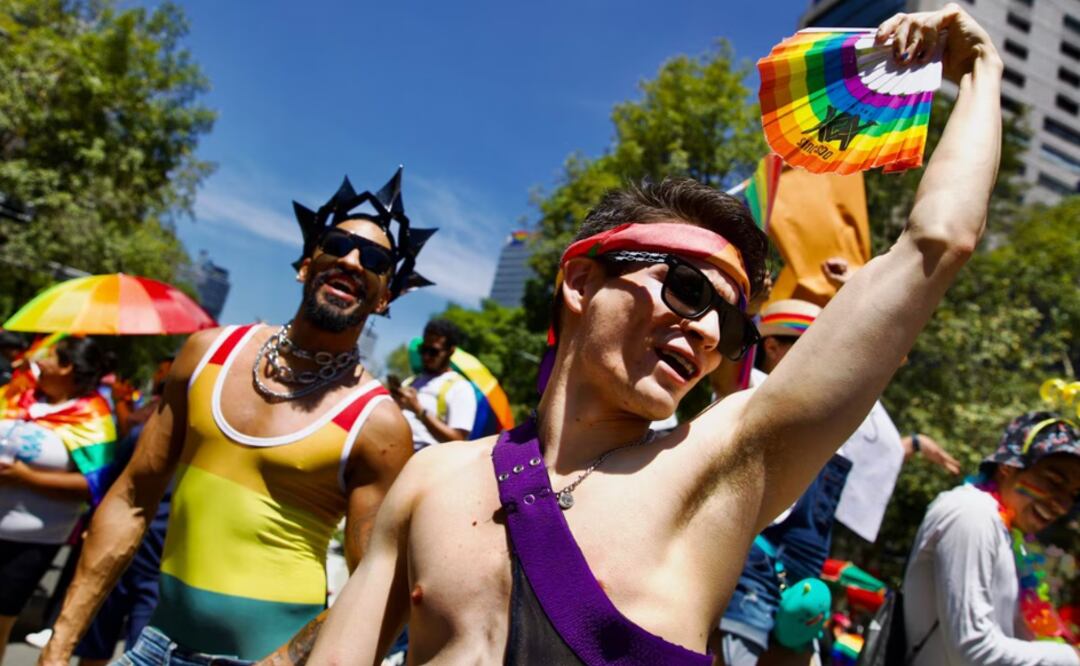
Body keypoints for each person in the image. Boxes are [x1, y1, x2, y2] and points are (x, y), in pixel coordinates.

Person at [308, 7, 1005, 664]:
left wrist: (981, 66)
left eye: (730, 324)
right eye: (688, 288)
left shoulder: (718, 471)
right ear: (580, 282)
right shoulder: (433, 479)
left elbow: (934, 245)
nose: (705, 330)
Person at [39, 169, 430, 665]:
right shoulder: (206, 355)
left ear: (383, 297)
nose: (352, 261)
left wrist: (285, 660)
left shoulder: (376, 423)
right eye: (338, 245)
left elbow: (379, 583)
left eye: (375, 260)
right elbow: (134, 496)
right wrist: (59, 645)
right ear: (307, 266)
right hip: (151, 649)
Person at [715, 296, 960, 666]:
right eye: (813, 348)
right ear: (773, 346)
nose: (827, 361)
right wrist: (753, 304)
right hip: (745, 572)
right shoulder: (749, 390)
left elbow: (867, 452)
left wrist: (915, 443)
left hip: (802, 585)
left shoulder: (822, 413)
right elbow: (729, 363)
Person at [903, 412, 1080, 665]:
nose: (1062, 505)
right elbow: (972, 651)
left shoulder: (1006, 533)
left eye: (1073, 494)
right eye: (1053, 480)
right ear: (1008, 466)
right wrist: (1071, 658)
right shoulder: (971, 513)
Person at [0, 337, 116, 664]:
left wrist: (28, 478)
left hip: (29, 540)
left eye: (50, 357)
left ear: (66, 367)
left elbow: (95, 483)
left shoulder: (92, 417)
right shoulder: (16, 395)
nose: (41, 362)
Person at [392, 319, 477, 451]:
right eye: (423, 349)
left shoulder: (460, 388)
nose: (426, 356)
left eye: (433, 352)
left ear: (451, 351)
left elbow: (458, 440)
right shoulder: (411, 381)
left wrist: (419, 410)